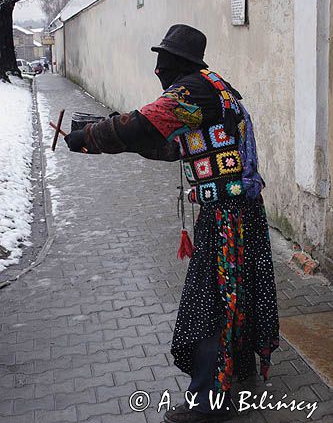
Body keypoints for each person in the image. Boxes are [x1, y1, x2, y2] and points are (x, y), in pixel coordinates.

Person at [65, 24, 280, 422]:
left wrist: (90, 137)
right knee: (231, 297)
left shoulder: (192, 91)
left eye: (161, 60)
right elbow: (168, 145)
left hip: (227, 218)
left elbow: (144, 125)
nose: (157, 70)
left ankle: (209, 402)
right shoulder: (216, 89)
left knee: (209, 306)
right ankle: (234, 375)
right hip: (237, 213)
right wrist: (107, 132)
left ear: (176, 63)